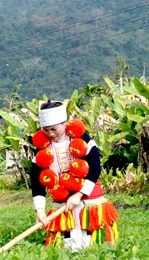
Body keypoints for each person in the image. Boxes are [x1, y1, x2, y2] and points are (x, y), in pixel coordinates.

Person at [29, 100, 118, 250]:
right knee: (65, 245)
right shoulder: (41, 150)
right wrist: (40, 210)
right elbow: (37, 182)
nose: (51, 134)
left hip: (88, 197)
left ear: (64, 123)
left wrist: (78, 195)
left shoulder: (83, 139)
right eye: (46, 130)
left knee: (93, 240)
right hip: (61, 199)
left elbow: (95, 168)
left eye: (54, 129)